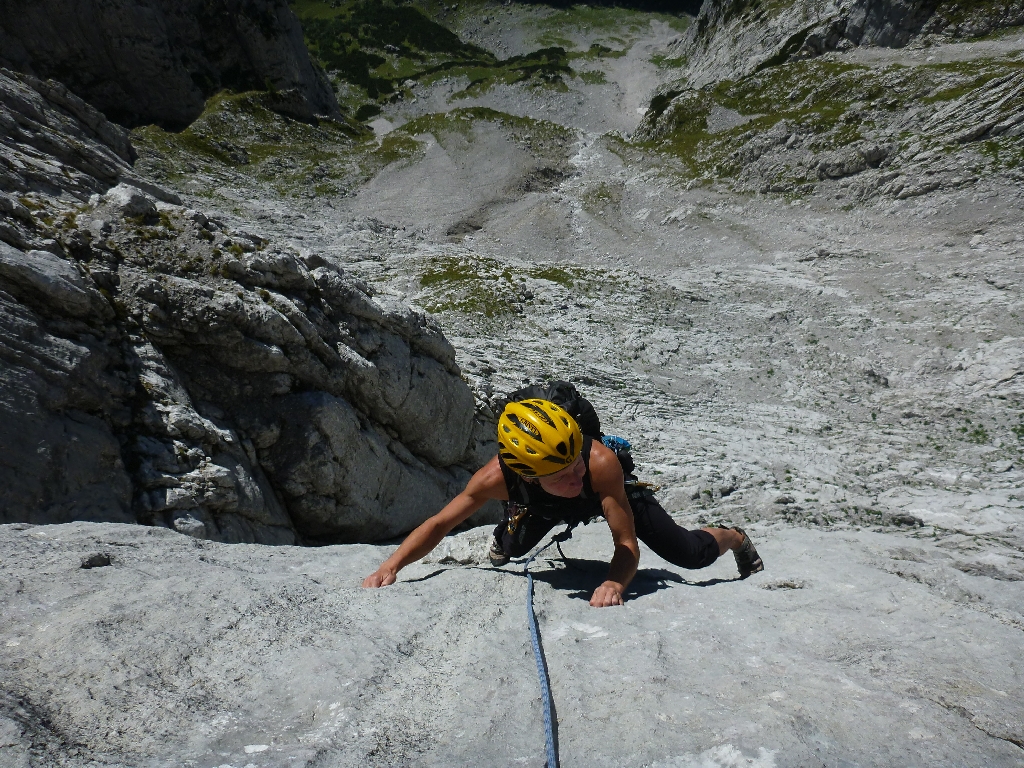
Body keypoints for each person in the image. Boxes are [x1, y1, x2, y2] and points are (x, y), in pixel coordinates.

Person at [362, 398, 764, 607]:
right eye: (561, 476)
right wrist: (391, 565)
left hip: (608, 494)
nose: (575, 478)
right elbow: (440, 523)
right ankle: (509, 532)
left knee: (689, 555)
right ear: (526, 475)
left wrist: (614, 580)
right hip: (540, 504)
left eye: (575, 466)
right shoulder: (494, 480)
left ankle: (732, 536)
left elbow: (626, 544)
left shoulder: (600, 465)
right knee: (511, 546)